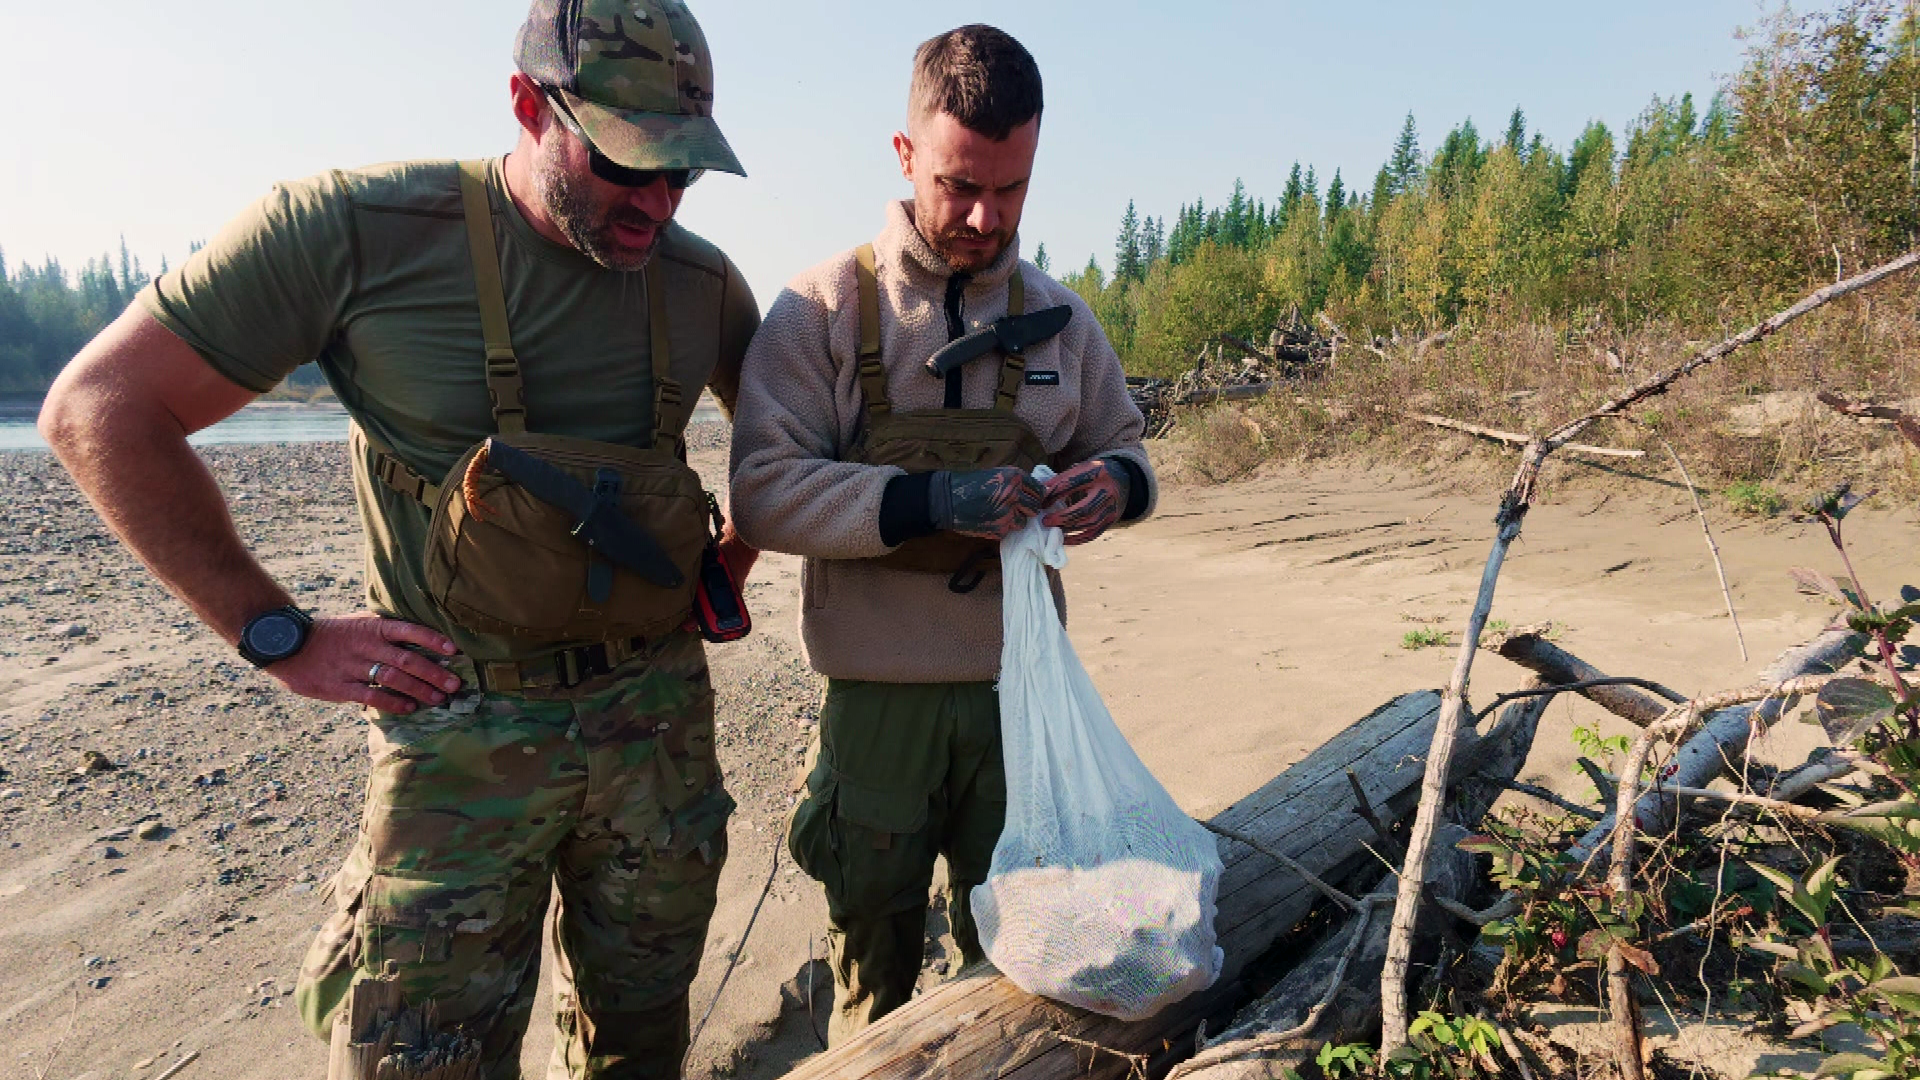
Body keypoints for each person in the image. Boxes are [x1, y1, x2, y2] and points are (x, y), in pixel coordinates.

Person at [38, 1, 757, 1076]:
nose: (658, 201)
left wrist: (725, 564)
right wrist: (277, 634)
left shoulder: (701, 284)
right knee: (422, 1056)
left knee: (642, 1044)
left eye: (683, 173)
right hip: (456, 743)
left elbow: (790, 450)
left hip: (657, 735)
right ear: (528, 103)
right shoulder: (356, 233)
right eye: (628, 164)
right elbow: (98, 409)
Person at [727, 24, 1156, 1043]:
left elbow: (1129, 446)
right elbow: (763, 493)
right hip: (876, 705)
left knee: (1020, 950)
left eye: (1010, 191)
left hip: (1023, 700)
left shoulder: (1063, 320)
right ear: (905, 153)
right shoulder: (822, 309)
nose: (982, 216)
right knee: (873, 948)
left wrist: (1117, 490)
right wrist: (931, 505)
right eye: (960, 184)